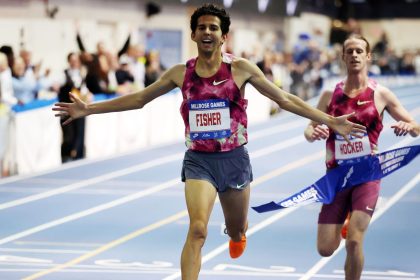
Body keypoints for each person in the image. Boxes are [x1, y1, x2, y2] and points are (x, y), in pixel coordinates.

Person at [53, 4, 366, 279]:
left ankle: (237, 234)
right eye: (201, 27)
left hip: (234, 161)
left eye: (213, 28)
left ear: (223, 36)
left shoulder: (239, 69)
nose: (207, 31)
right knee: (198, 229)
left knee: (238, 227)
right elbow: (139, 99)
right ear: (193, 35)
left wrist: (330, 120)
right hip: (198, 161)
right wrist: (88, 109)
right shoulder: (181, 73)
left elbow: (283, 98)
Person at [304, 34, 420, 280]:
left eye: (359, 51)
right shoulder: (330, 95)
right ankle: (347, 215)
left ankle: (353, 223)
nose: (355, 55)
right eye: (350, 51)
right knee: (325, 249)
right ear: (343, 57)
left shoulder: (381, 94)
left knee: (354, 242)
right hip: (336, 177)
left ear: (368, 56)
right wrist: (315, 132)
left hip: (367, 174)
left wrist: (409, 127)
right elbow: (308, 129)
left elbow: (415, 125)